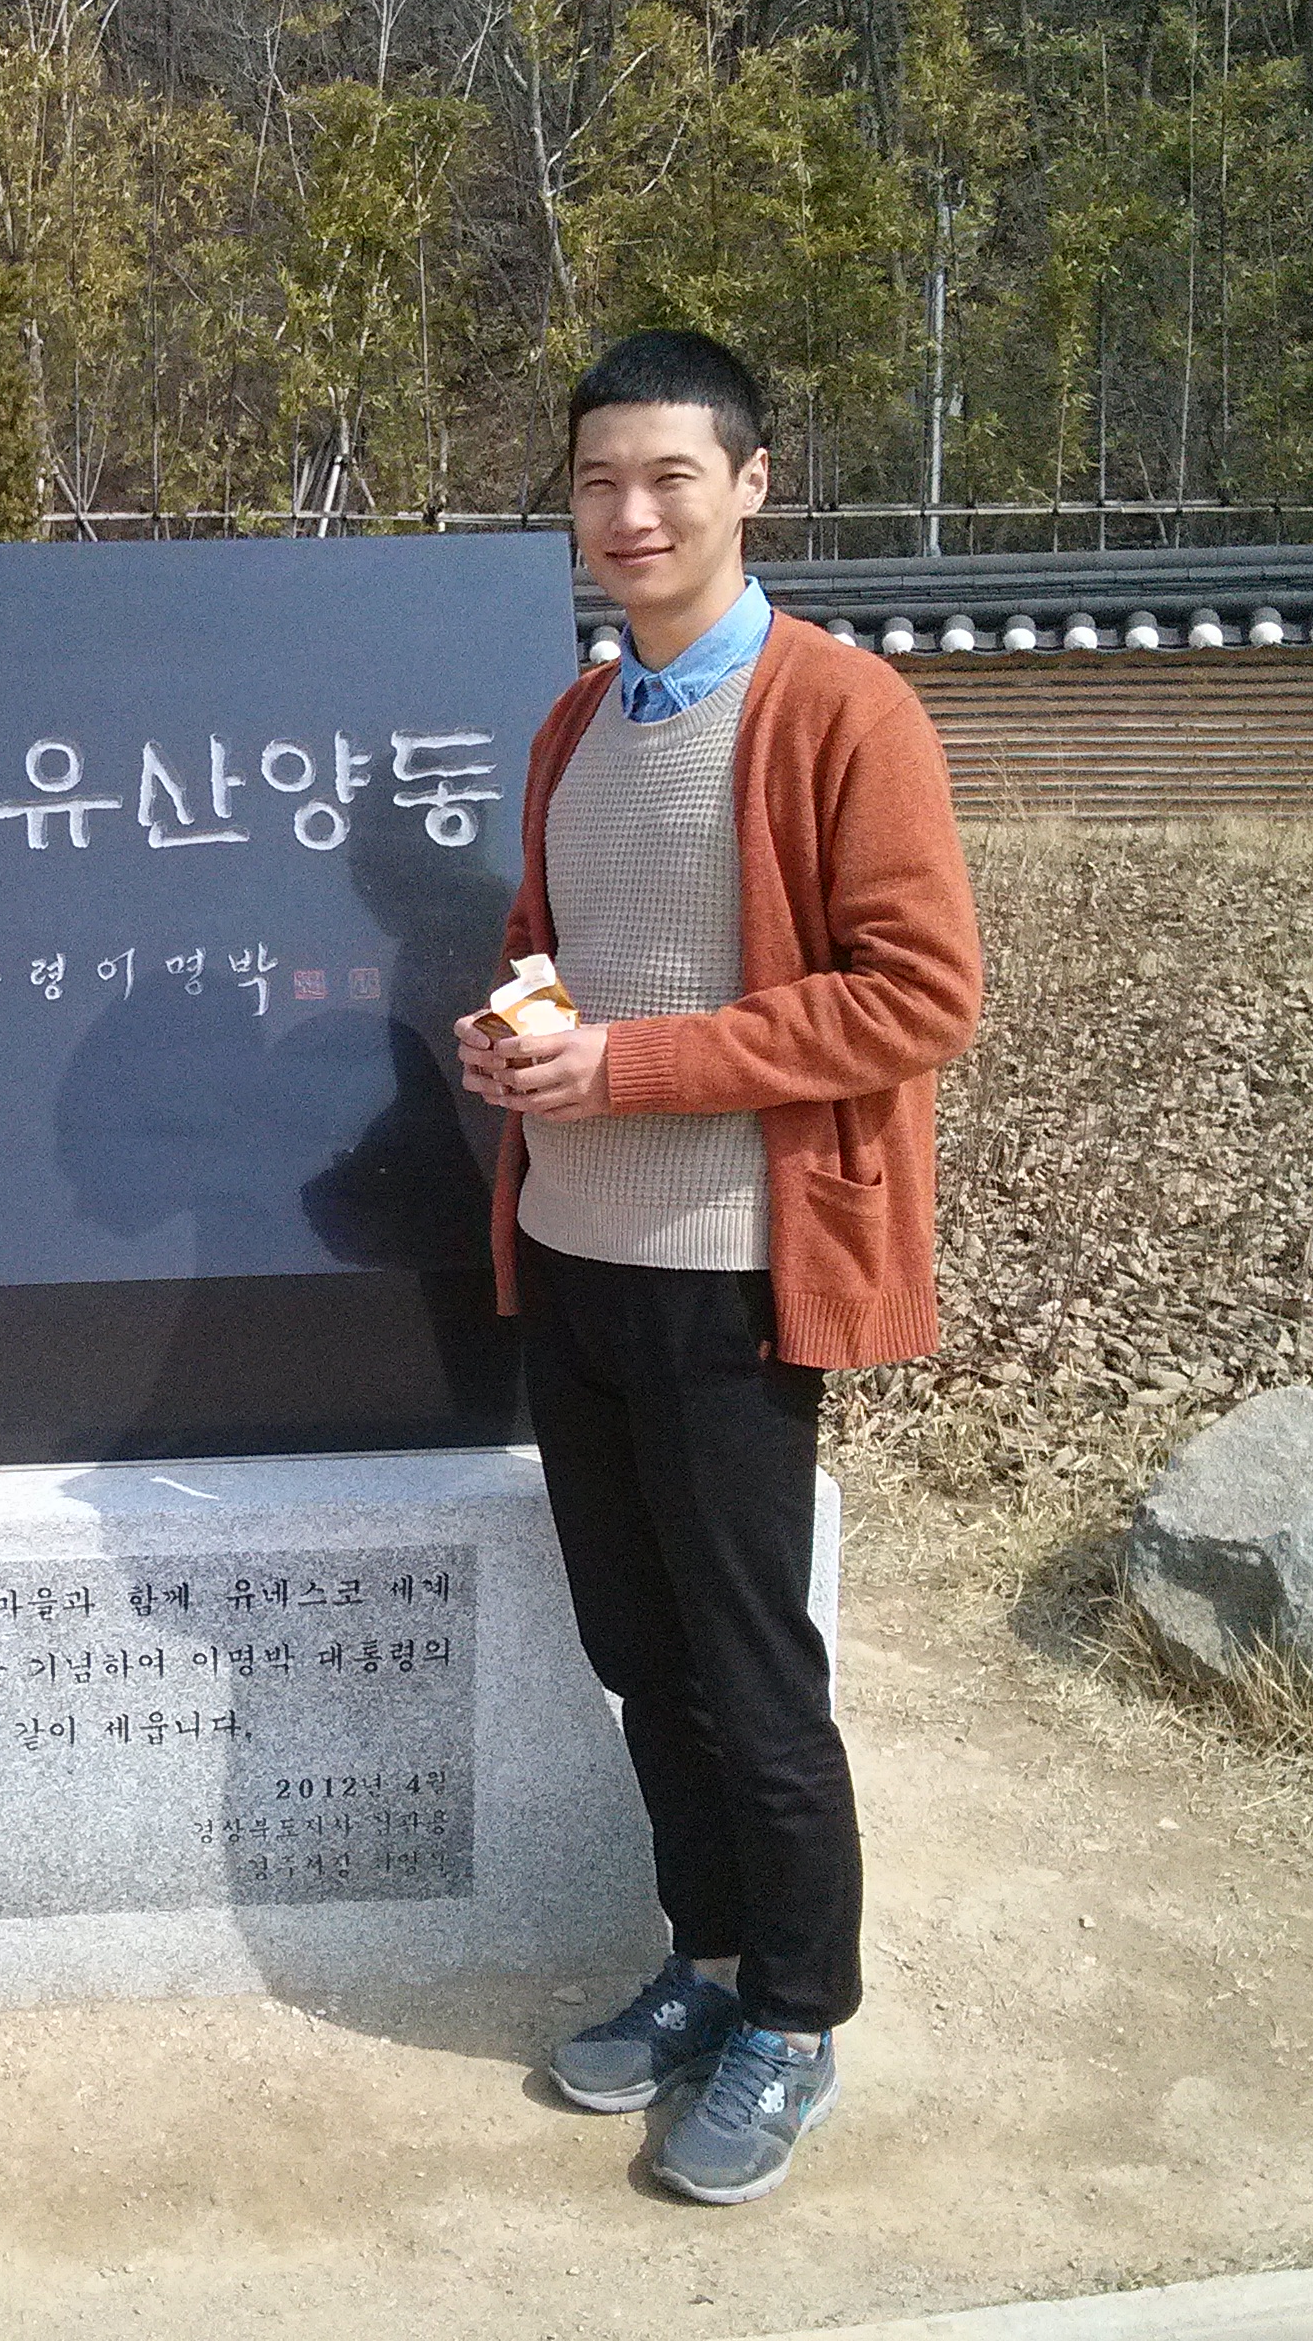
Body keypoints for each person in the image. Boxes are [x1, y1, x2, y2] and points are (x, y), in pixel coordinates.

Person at [456, 329, 982, 2206]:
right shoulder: (576, 725)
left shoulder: (841, 710)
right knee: (641, 1651)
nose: (632, 512)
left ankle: (798, 2017)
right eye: (600, 480)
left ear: (751, 485)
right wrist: (523, 1039)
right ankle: (706, 1958)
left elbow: (921, 996)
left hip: (733, 1271)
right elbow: (562, 950)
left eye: (671, 475)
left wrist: (635, 1065)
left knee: (752, 1667)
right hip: (572, 1257)